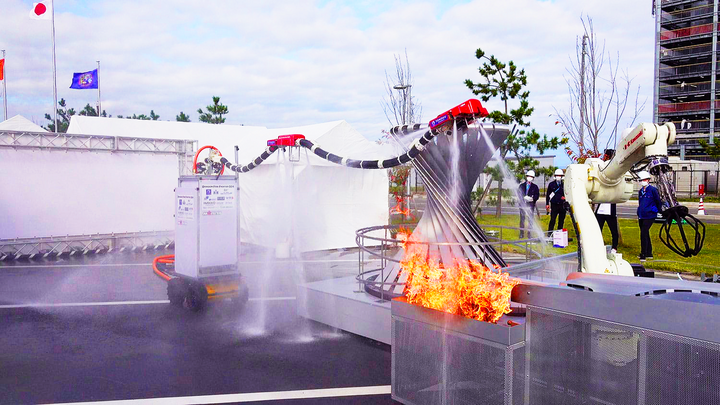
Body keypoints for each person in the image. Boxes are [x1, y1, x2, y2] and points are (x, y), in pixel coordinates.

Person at [595, 149, 619, 253]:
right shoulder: (603, 167)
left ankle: (614, 247)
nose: (604, 157)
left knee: (614, 231)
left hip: (610, 210)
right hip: (601, 210)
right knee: (597, 230)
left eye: (605, 155)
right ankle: (598, 245)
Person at [636, 170, 663, 262]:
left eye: (643, 180)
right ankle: (649, 253)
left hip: (649, 215)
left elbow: (658, 202)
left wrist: (655, 211)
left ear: (647, 180)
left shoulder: (653, 190)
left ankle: (643, 253)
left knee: (643, 233)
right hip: (641, 215)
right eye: (640, 180)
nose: (641, 182)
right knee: (645, 233)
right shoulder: (641, 191)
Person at [518, 170, 539, 239]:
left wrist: (532, 199)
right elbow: (518, 193)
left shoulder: (535, 187)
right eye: (529, 176)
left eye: (531, 177)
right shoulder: (522, 185)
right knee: (522, 219)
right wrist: (523, 198)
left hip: (530, 206)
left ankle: (529, 234)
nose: (530, 178)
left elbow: (537, 195)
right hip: (522, 205)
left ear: (533, 178)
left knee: (530, 220)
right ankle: (521, 234)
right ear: (526, 176)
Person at [546, 168, 566, 233]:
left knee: (561, 220)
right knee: (552, 220)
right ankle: (550, 233)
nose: (558, 177)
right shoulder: (551, 184)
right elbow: (548, 195)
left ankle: (559, 233)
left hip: (562, 205)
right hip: (554, 204)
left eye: (560, 176)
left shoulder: (564, 184)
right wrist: (547, 204)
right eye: (557, 175)